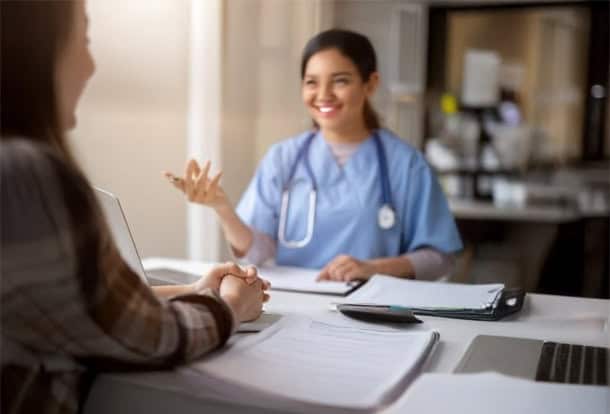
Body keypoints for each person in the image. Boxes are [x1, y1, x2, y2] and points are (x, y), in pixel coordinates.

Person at [0, 1, 269, 413]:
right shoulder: (26, 175)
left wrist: (195, 290)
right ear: (39, 49)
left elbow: (64, 305)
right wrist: (231, 306)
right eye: (85, 40)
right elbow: (147, 337)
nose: (90, 66)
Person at [165, 29, 462, 282]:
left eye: (340, 80)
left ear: (370, 84)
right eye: (311, 82)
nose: (323, 95)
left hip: (372, 309)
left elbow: (440, 257)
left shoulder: (406, 164)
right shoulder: (283, 157)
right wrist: (222, 208)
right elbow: (257, 253)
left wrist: (374, 268)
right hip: (295, 305)